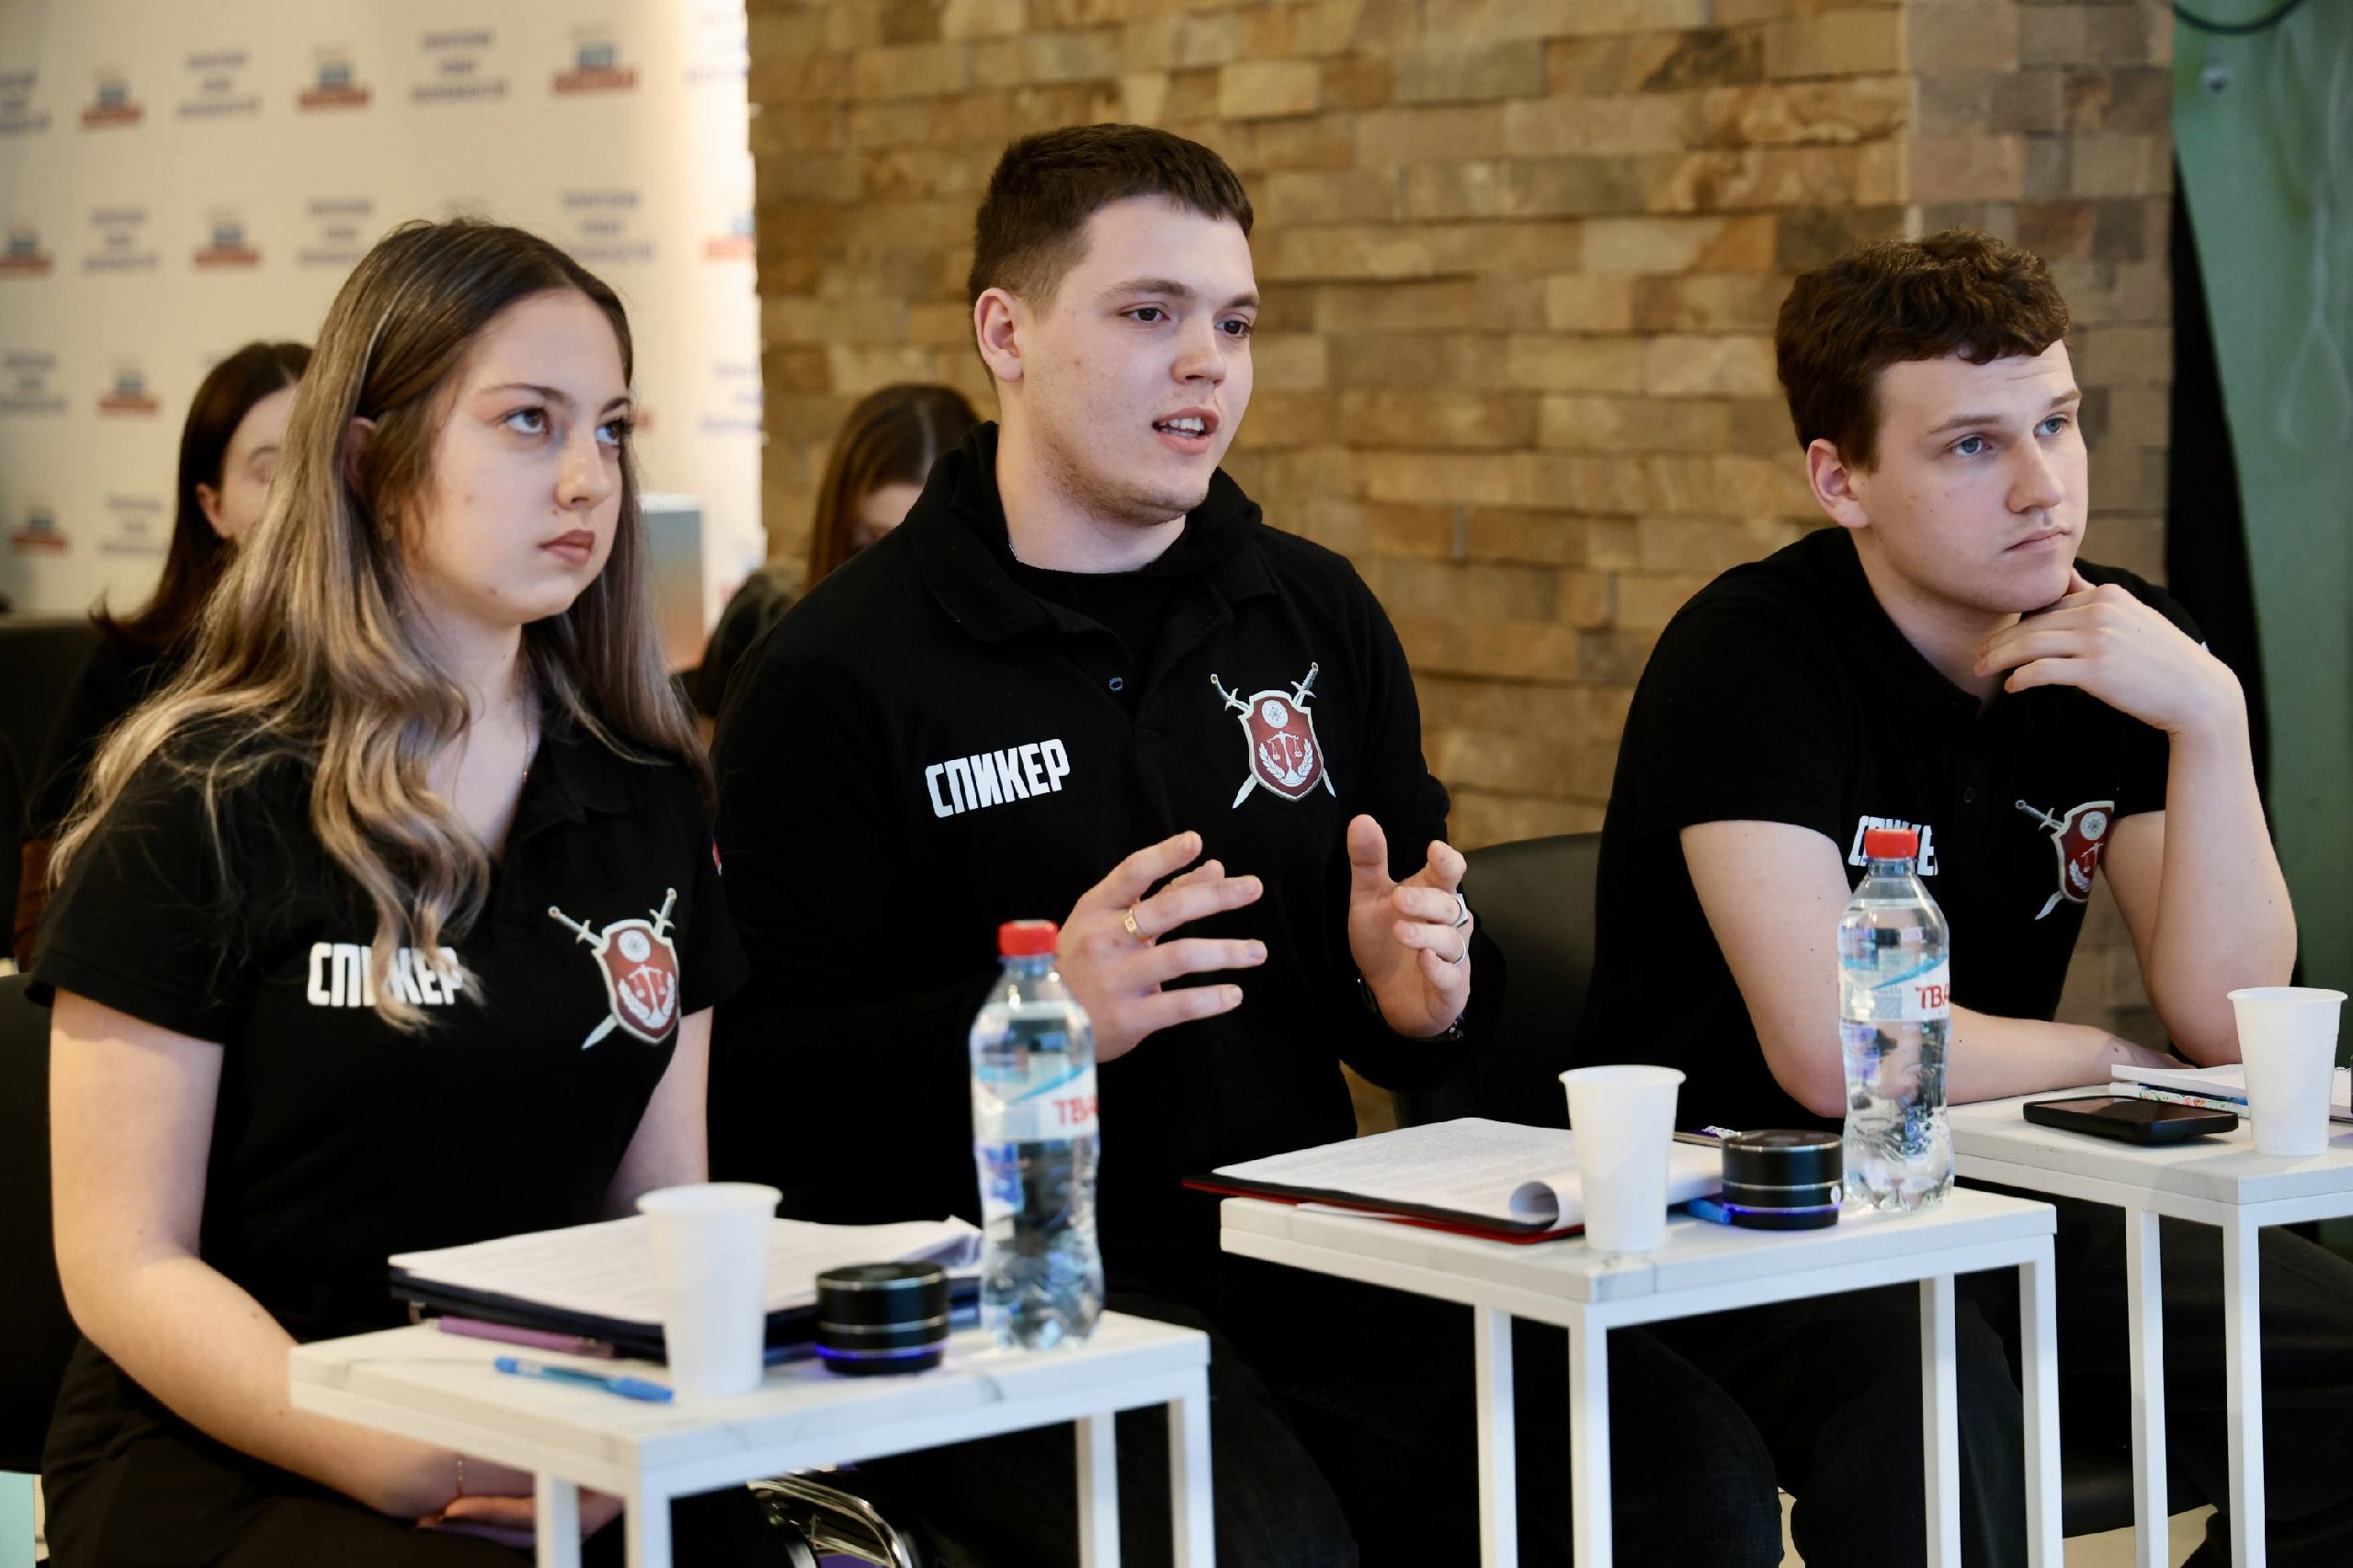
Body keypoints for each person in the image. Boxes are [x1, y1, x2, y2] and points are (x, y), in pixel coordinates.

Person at [709, 123, 1782, 1568]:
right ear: (1005, 334)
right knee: (1267, 1547)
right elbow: (761, 1093)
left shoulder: (1314, 613)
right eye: (1150, 314)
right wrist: (1033, 1026)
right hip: (1014, 1294)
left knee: (1682, 1477)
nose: (1206, 363)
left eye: (1234, 323)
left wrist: (1418, 996)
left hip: (1308, 1248)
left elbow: (1405, 993)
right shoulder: (836, 671)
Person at [1576, 230, 2351, 1565]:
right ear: (1843, 479)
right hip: (1739, 1205)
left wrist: (2211, 718)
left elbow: (2231, 1023)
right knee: (1939, 1399)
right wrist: (2110, 1061)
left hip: (1992, 1181)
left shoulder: (2125, 646)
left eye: (2056, 421)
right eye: (1973, 445)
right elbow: (1836, 1055)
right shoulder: (1750, 656)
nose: (2043, 486)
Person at [32, 219, 769, 1566]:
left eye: (610, 429)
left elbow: (660, 1221)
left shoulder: (648, 795)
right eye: (529, 421)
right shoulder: (205, 793)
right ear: (372, 460)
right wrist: (398, 1447)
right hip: (241, 1440)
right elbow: (125, 1262)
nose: (588, 478)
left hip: (553, 1425)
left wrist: (626, 1439)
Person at [13, 340, 309, 966]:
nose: (303, 498)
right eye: (270, 471)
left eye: (324, 460)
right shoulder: (131, 669)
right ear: (213, 507)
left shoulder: (414, 666)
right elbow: (43, 906)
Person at [680, 382, 977, 723]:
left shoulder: (997, 649)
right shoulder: (763, 618)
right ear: (839, 524)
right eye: (871, 544)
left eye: (929, 546)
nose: (899, 574)